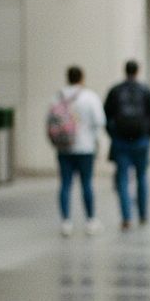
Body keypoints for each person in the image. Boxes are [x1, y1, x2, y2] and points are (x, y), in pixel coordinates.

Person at [47, 65, 105, 236]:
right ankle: (90, 220)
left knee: (65, 184)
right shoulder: (90, 97)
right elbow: (100, 121)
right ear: (82, 78)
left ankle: (66, 221)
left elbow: (51, 122)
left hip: (64, 147)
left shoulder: (57, 97)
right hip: (85, 147)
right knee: (86, 183)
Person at [104, 60, 150, 230]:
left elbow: (106, 116)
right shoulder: (146, 91)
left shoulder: (115, 91)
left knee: (122, 179)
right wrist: (148, 134)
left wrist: (113, 134)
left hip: (121, 140)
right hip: (141, 140)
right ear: (138, 71)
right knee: (142, 177)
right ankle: (143, 214)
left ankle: (126, 217)